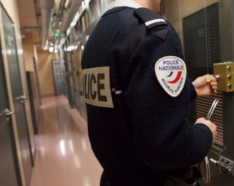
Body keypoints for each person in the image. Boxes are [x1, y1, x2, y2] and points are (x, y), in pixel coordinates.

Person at [81, 0, 218, 185]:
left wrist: (190, 89)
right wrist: (204, 133)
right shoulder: (152, 34)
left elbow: (127, 99)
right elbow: (166, 147)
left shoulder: (98, 36)